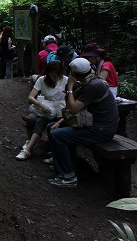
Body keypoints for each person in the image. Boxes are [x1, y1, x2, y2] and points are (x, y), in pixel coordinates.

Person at [47, 57, 119, 187]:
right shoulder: (91, 82)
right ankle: (68, 165)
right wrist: (60, 122)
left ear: (74, 74)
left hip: (102, 130)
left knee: (57, 135)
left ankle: (68, 176)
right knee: (52, 127)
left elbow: (73, 109)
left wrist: (69, 87)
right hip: (98, 125)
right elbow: (75, 107)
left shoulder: (93, 86)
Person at [16, 61, 67, 160]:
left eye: (58, 75)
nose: (55, 78)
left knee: (40, 121)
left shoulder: (66, 80)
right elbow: (31, 97)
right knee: (31, 119)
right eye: (53, 75)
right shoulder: (42, 80)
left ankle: (28, 149)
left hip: (59, 110)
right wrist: (40, 104)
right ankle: (30, 141)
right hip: (44, 108)